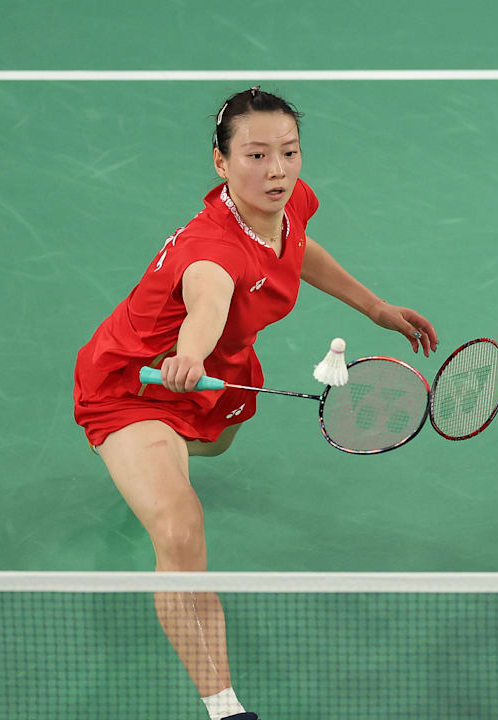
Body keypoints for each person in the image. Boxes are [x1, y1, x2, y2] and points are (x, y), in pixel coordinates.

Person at [73, 87, 438, 720]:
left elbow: (297, 248)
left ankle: (159, 466)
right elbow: (209, 302)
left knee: (214, 445)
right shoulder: (211, 251)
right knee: (180, 524)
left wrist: (375, 307)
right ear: (220, 163)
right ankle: (224, 706)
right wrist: (188, 354)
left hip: (222, 377)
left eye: (289, 152)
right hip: (140, 384)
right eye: (255, 155)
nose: (276, 170)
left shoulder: (287, 201)